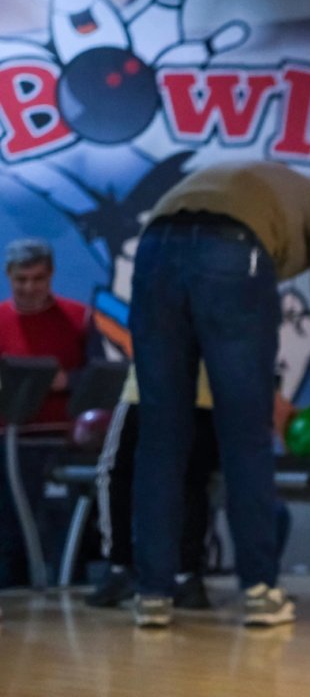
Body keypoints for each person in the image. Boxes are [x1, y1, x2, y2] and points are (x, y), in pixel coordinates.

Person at [129, 161, 310, 628]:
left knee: (160, 436)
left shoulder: (256, 183)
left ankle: (151, 592)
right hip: (232, 252)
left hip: (154, 249)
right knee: (246, 434)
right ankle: (259, 591)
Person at [84, 365, 219, 610]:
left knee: (114, 473)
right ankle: (187, 576)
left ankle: (120, 567)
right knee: (191, 482)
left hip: (146, 390)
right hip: (204, 392)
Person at [0, 238, 90, 589]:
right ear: (9, 276)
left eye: (37, 279)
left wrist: (67, 380)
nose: (29, 288)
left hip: (63, 442)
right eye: (21, 280)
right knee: (10, 534)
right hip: (9, 444)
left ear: (51, 275)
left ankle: (71, 595)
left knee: (67, 532)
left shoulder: (79, 317)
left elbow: (101, 376)